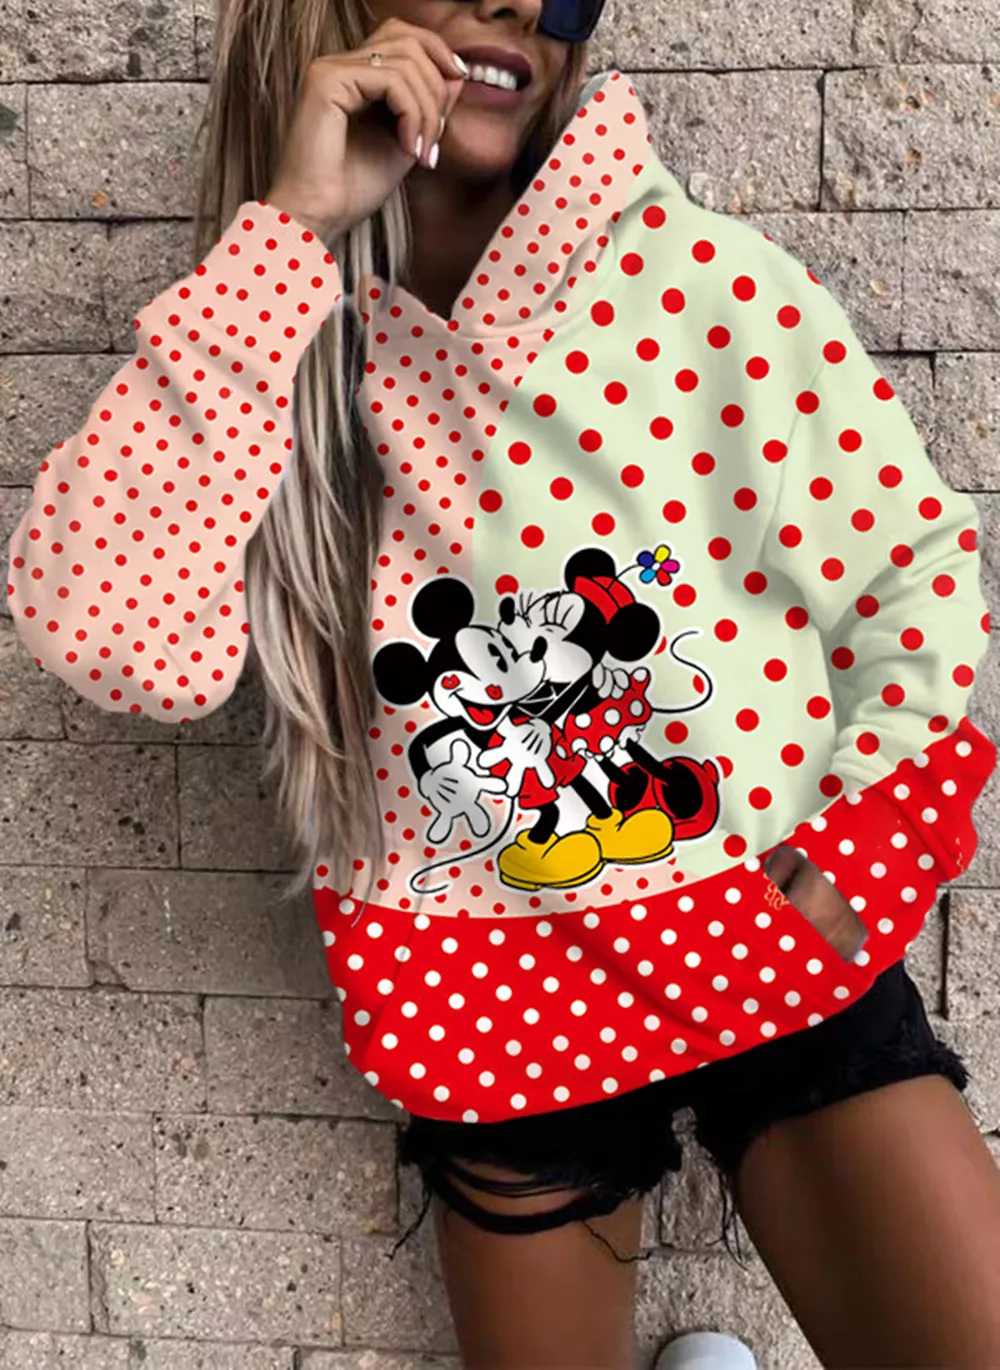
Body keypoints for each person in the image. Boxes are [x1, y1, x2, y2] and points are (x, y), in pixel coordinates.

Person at [6, 0, 1000, 1365]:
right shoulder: (281, 337)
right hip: (489, 988)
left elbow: (911, 571)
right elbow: (113, 641)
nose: (524, 5)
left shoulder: (702, 283)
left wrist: (861, 854)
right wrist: (286, 236)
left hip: (760, 918)